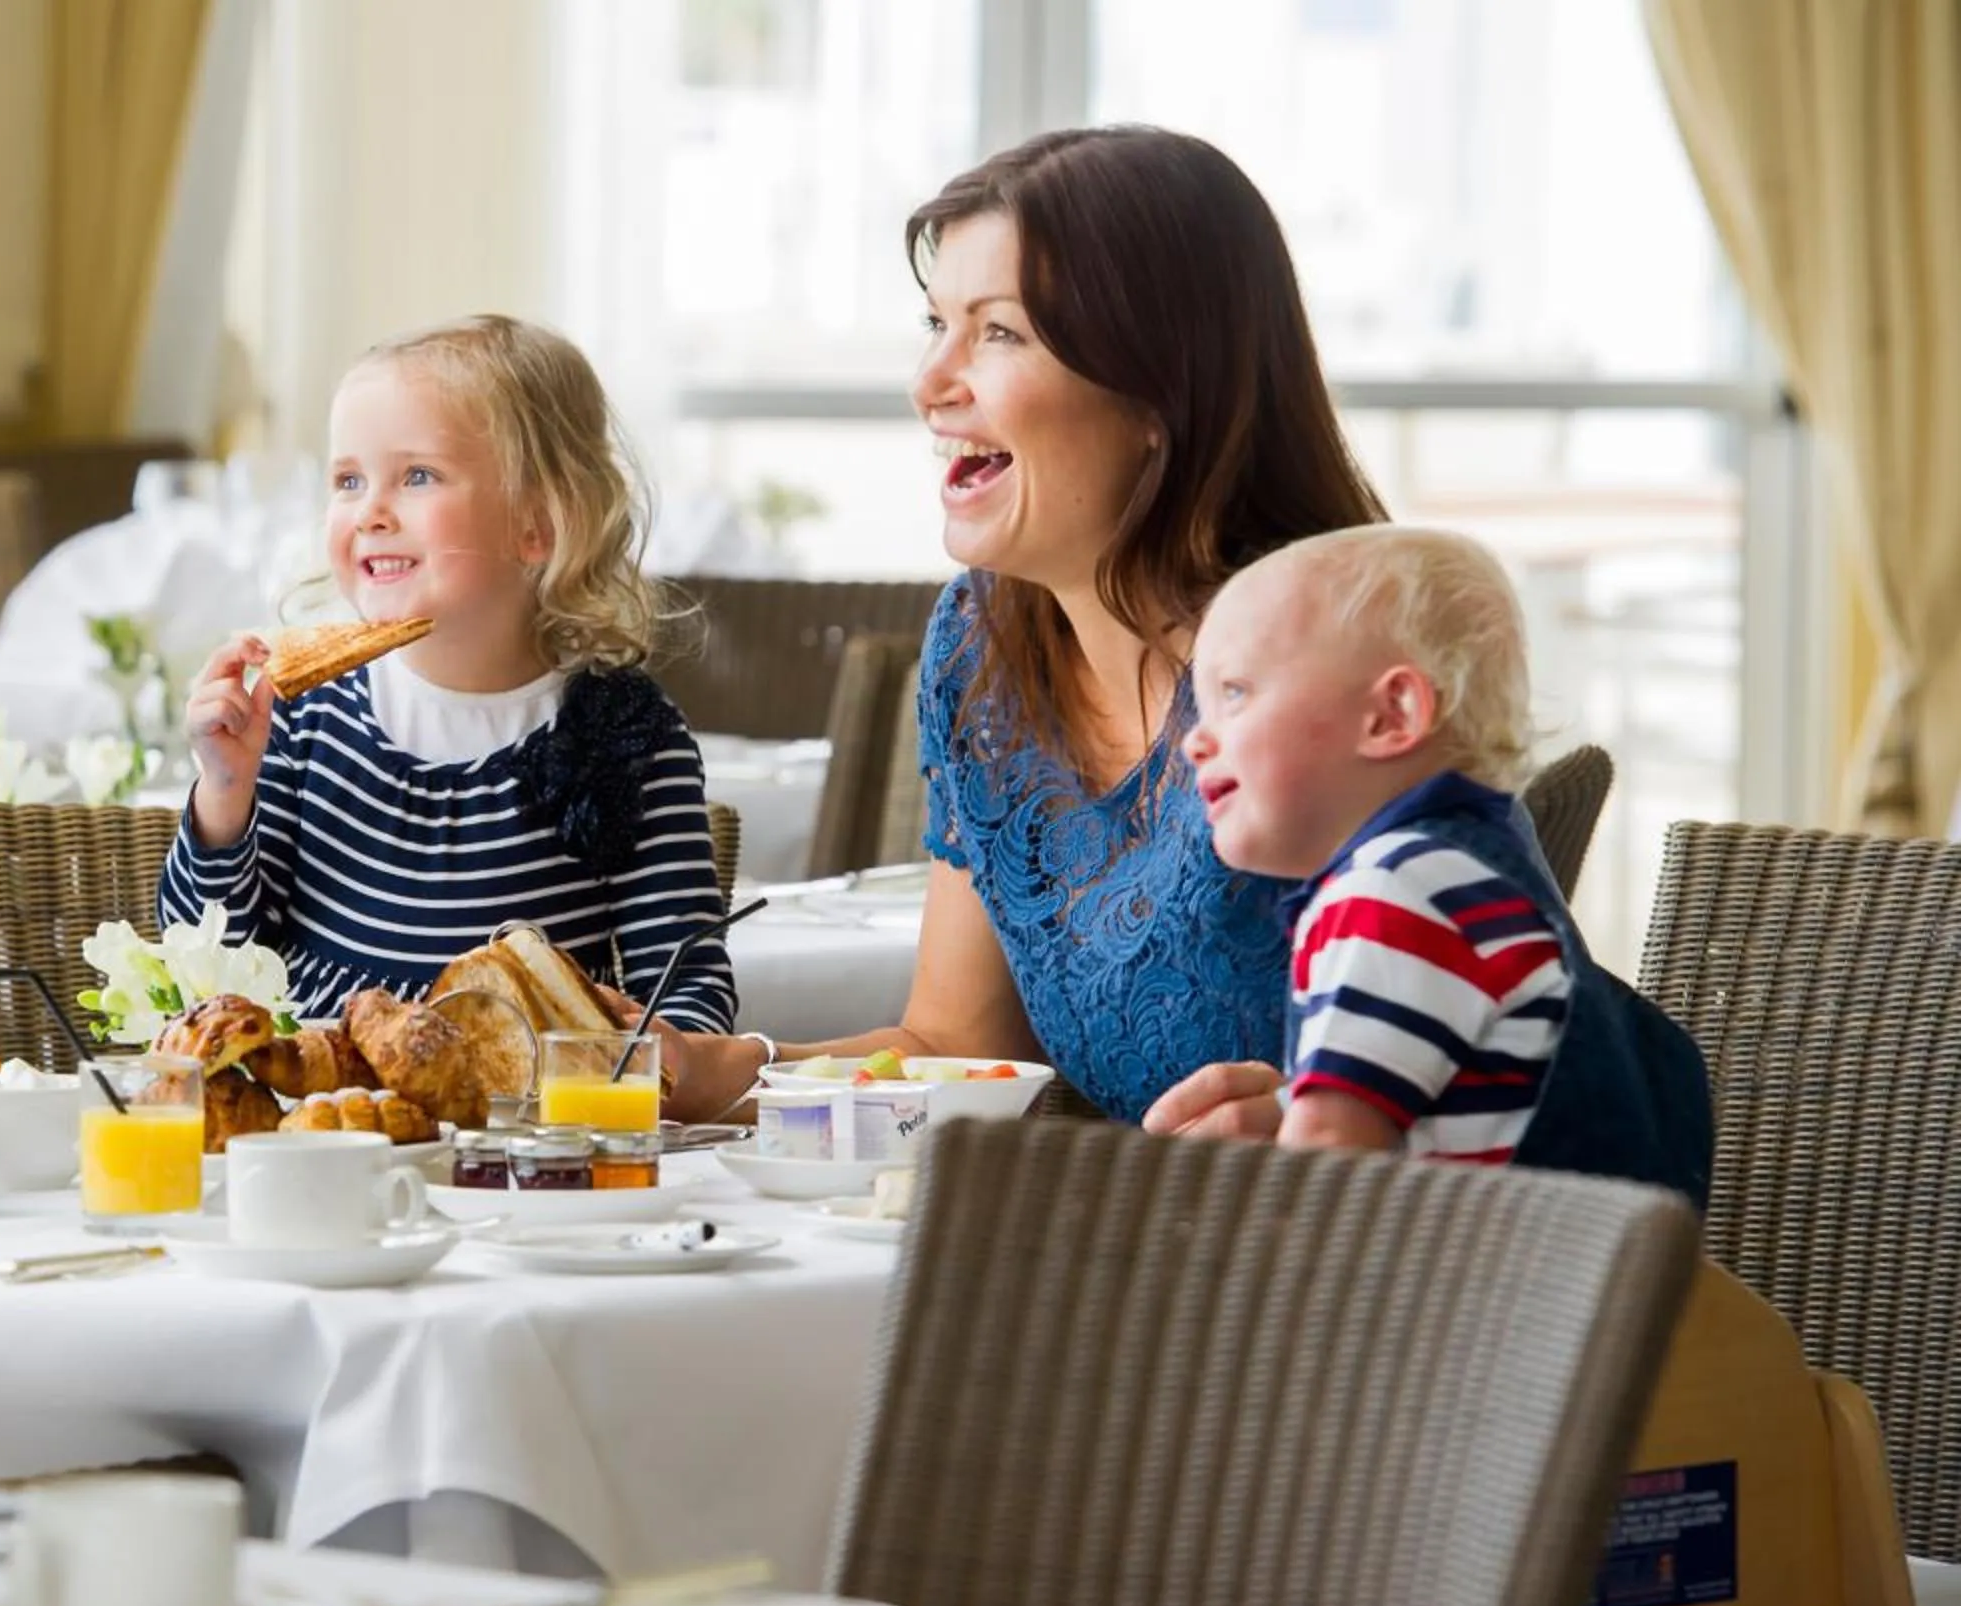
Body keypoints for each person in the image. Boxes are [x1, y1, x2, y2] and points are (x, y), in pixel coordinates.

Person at [655, 125, 1384, 1124]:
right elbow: (957, 1047)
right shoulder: (983, 649)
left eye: (998, 333)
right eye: (936, 323)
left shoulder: (1336, 658)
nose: (930, 382)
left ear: (1159, 389)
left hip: (1370, 1258)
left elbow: (1498, 1022)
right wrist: (723, 1075)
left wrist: (1338, 1116)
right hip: (1140, 1246)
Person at [161, 315, 735, 1033]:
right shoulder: (301, 718)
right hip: (319, 1121)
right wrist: (223, 792)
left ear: (538, 524)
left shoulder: (629, 739)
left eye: (418, 476)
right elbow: (201, 966)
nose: (370, 511)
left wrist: (644, 1054)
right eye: (347, 480)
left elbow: (691, 996)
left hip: (523, 1130)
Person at [1163, 525, 1710, 1197]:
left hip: (1480, 1294)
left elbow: (1328, 1164)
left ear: (1393, 714)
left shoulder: (1389, 894)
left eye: (1236, 692)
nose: (1195, 739)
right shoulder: (1465, 878)